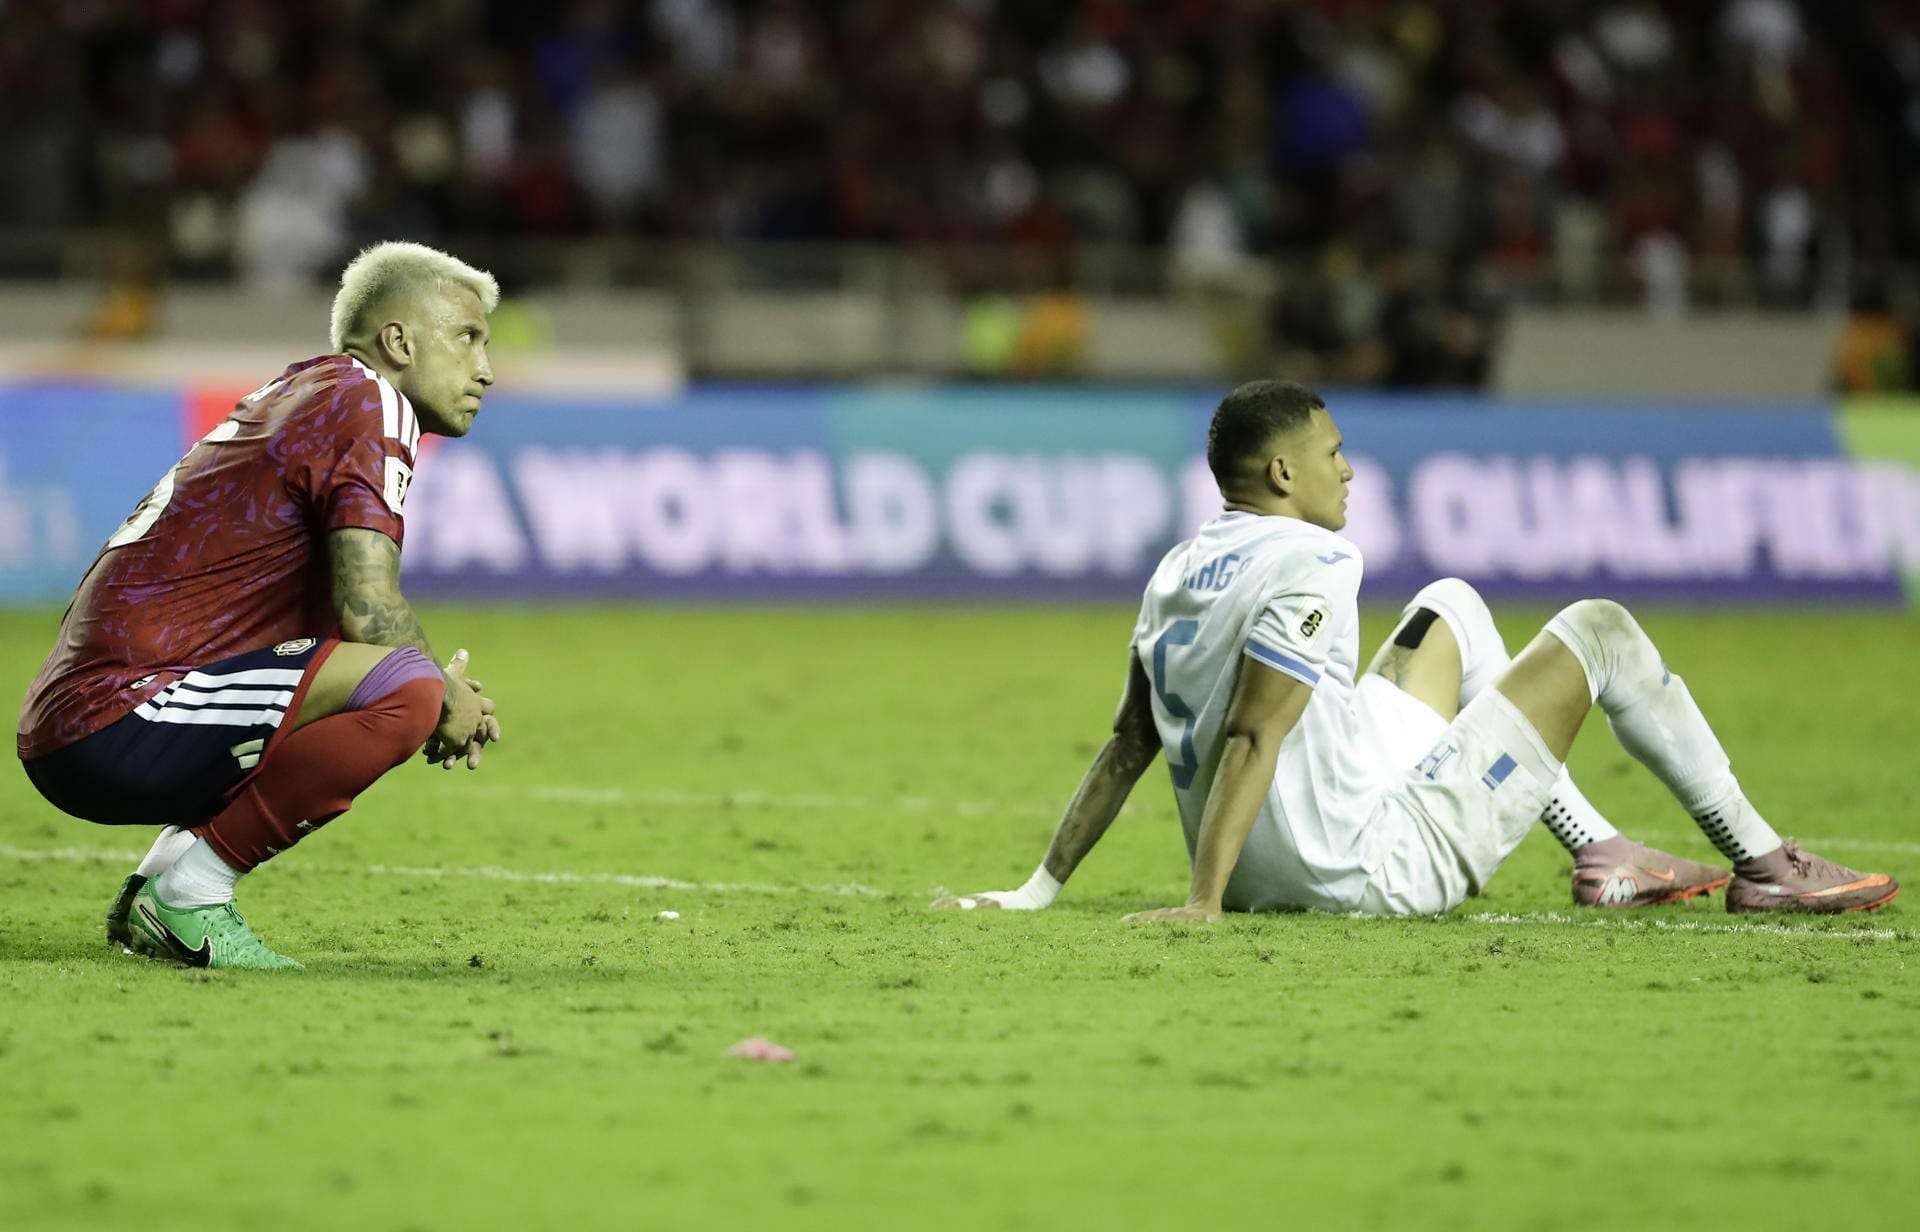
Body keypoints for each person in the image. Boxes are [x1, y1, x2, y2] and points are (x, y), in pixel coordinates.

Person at [933, 380, 1898, 921]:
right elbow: (1254, 738)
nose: (1347, 469)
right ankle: (1766, 864)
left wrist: (1039, 887)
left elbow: (1126, 747)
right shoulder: (1315, 560)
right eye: (1331, 452)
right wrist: (1200, 905)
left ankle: (1602, 852)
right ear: (1282, 471)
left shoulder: (1178, 569)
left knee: (1451, 608)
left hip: (1284, 853)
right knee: (1598, 630)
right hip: (1367, 867)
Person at [16, 241, 506, 969]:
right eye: (468, 337)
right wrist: (443, 699)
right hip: (122, 716)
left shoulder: (309, 392)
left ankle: (157, 884)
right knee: (403, 687)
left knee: (368, 669)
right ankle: (191, 896)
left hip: (81, 722)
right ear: (398, 342)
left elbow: (339, 625)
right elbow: (369, 607)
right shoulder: (368, 400)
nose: (486, 369)